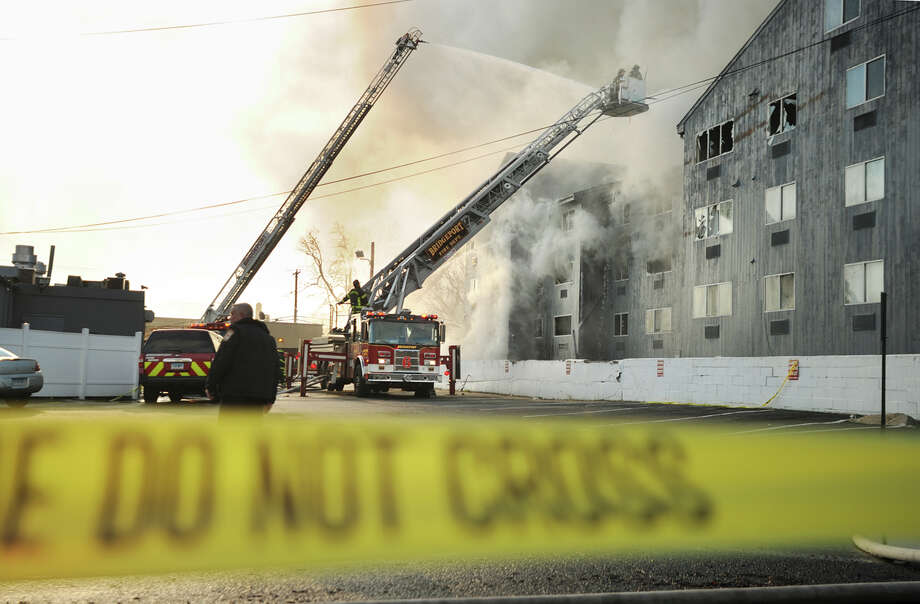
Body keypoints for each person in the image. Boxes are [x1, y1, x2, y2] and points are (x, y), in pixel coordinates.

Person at [206, 302, 280, 415]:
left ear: (241, 315)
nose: (230, 318)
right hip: (258, 399)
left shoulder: (233, 333)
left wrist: (210, 387)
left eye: (232, 314)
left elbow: (221, 360)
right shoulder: (268, 339)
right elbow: (275, 369)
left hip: (234, 397)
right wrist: (270, 398)